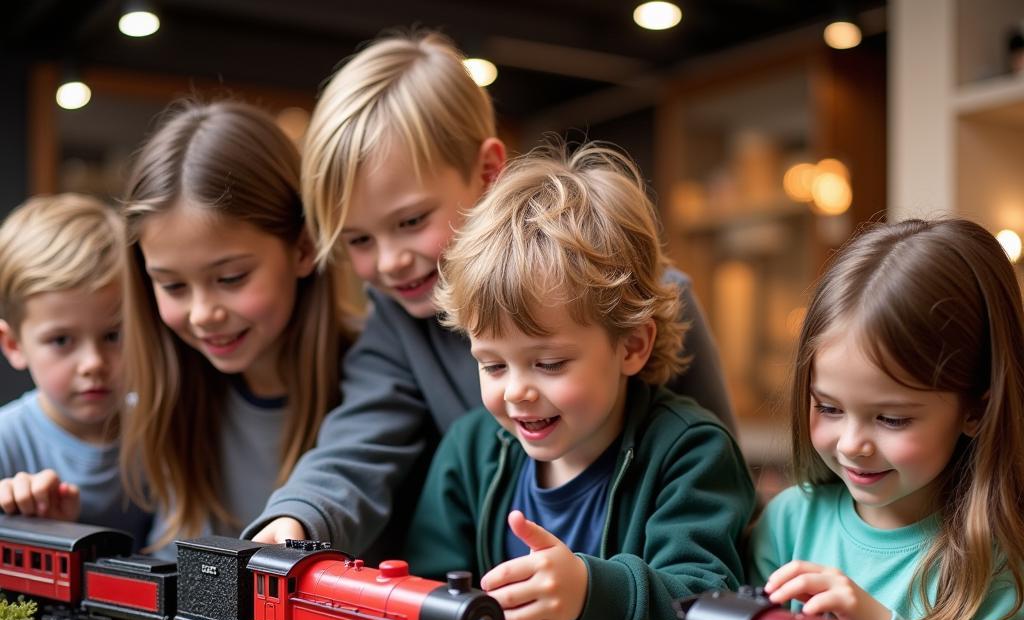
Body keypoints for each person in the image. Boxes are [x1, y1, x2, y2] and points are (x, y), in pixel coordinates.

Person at [246, 30, 737, 559]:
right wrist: (302, 510)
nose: (389, 261)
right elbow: (362, 440)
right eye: (359, 240)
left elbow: (715, 472)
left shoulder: (655, 298)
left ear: (487, 171)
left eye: (411, 221)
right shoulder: (395, 321)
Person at [404, 143, 755, 620]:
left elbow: (706, 617)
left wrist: (594, 597)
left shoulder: (691, 453)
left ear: (632, 346)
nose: (517, 391)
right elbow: (426, 591)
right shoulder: (469, 451)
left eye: (548, 364)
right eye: (494, 365)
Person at [750, 218, 1024, 620]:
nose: (852, 444)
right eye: (827, 407)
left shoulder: (998, 556)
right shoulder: (788, 524)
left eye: (892, 419)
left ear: (976, 408)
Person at [119, 99, 346, 552]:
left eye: (230, 278)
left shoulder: (378, 378)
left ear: (303, 248)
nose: (203, 313)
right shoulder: (169, 395)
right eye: (172, 286)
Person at [0, 193, 152, 548]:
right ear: (13, 345)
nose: (93, 363)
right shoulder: (7, 441)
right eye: (62, 340)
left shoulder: (156, 431)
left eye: (114, 335)